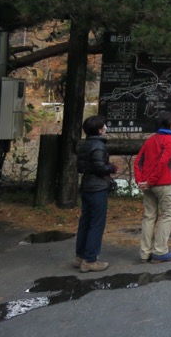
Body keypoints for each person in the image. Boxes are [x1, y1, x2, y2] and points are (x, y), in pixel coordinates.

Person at [134, 110, 171, 263]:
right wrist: (151, 181)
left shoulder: (151, 139)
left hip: (148, 184)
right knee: (168, 215)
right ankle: (160, 251)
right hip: (163, 183)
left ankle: (144, 253)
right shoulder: (170, 140)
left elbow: (138, 161)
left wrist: (141, 181)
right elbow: (163, 162)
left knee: (149, 216)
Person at [75, 114, 117, 273]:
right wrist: (111, 168)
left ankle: (80, 256)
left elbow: (81, 167)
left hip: (86, 185)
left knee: (85, 221)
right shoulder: (99, 146)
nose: (106, 127)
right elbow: (100, 167)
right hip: (97, 187)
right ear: (100, 129)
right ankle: (90, 259)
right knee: (96, 223)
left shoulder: (85, 145)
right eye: (104, 125)